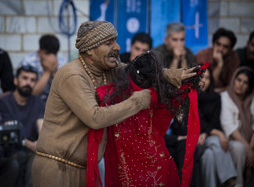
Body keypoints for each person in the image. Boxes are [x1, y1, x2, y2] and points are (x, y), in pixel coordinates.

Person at [31, 21, 197, 186]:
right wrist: (137, 102)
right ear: (89, 48)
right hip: (57, 169)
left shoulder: (108, 69)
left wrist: (177, 76)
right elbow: (94, 117)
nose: (117, 47)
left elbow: (141, 74)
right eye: (109, 43)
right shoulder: (72, 75)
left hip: (85, 170)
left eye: (116, 41)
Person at [86, 51, 204, 186]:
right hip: (150, 164)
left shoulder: (110, 96)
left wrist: (173, 76)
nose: (116, 46)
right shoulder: (151, 94)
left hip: (145, 166)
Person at [0, 65, 45, 187]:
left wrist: (41, 142)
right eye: (25, 78)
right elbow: (9, 132)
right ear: (16, 80)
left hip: (33, 152)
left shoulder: (38, 102)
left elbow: (42, 128)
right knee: (14, 165)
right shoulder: (3, 102)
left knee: (37, 164)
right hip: (9, 152)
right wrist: (31, 145)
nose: (28, 82)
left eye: (32, 80)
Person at [198, 68, 237, 187]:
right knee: (217, 140)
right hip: (192, 137)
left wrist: (206, 132)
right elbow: (195, 120)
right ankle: (231, 180)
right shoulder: (188, 96)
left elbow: (215, 122)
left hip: (208, 137)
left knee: (208, 156)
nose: (204, 81)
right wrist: (217, 133)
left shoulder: (215, 98)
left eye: (207, 78)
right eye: (201, 77)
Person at [220, 67, 254, 187]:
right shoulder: (225, 97)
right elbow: (230, 128)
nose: (241, 84)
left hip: (250, 142)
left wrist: (251, 147)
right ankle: (238, 184)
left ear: (249, 87)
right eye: (239, 80)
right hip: (231, 141)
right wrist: (248, 148)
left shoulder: (251, 100)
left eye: (245, 83)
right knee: (239, 148)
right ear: (234, 80)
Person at [19, 34, 65, 102]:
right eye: (47, 53)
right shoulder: (28, 61)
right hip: (30, 104)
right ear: (39, 52)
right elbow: (31, 95)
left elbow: (63, 93)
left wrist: (54, 72)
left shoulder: (61, 62)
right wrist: (47, 71)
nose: (51, 58)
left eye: (54, 53)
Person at [196, 28, 240, 93]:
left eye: (225, 46)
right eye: (218, 44)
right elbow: (204, 85)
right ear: (213, 43)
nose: (221, 49)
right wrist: (219, 65)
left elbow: (232, 85)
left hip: (225, 94)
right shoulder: (202, 55)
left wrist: (218, 91)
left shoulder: (233, 58)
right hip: (203, 93)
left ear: (230, 49)